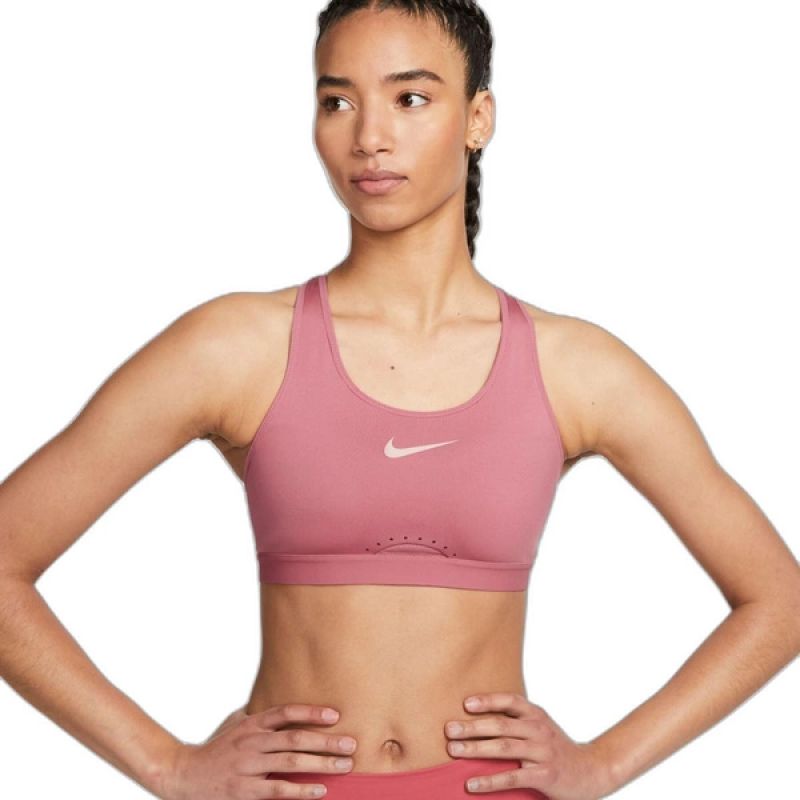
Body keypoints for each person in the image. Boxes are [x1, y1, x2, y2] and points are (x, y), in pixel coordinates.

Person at [1, 2, 799, 799]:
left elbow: (779, 599)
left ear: (478, 118)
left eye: (410, 98)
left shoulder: (576, 367)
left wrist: (607, 763)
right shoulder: (237, 346)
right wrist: (167, 765)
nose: (369, 137)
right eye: (337, 101)